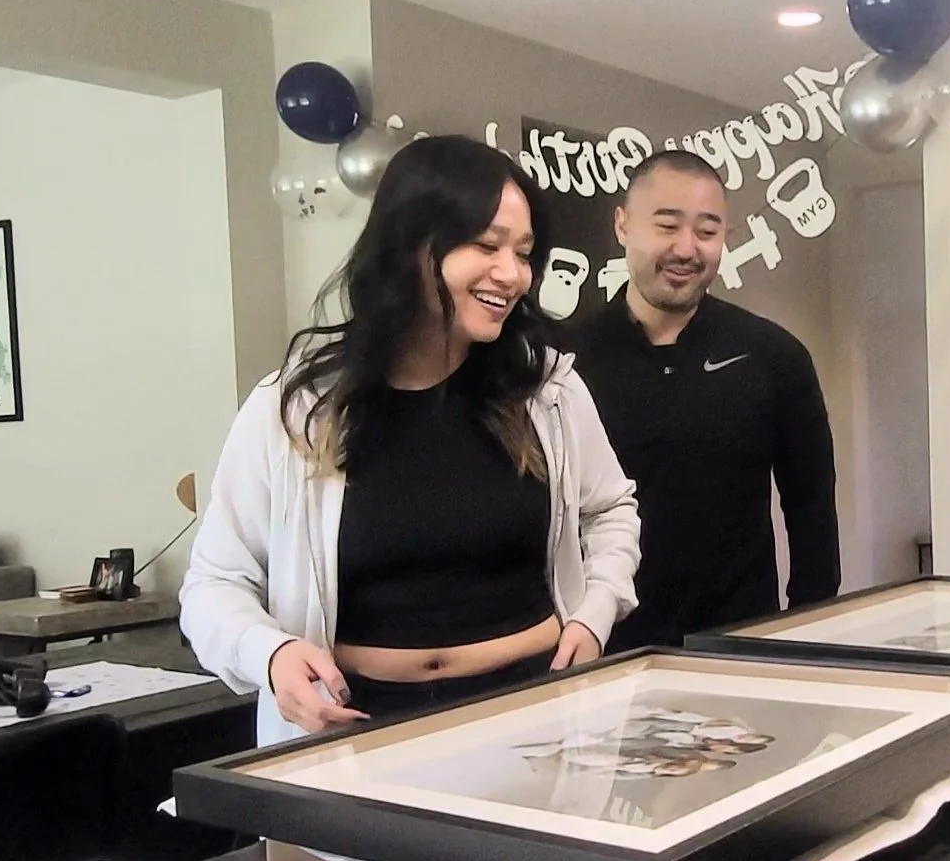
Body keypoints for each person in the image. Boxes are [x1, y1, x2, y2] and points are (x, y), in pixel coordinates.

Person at [180, 134, 641, 745]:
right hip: (358, 732)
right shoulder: (296, 408)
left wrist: (595, 612)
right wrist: (268, 652)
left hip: (538, 714)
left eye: (524, 252)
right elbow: (213, 584)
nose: (512, 274)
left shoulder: (546, 391)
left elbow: (611, 512)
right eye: (486, 245)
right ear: (411, 247)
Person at [567, 149, 839, 651]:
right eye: (667, 226)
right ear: (623, 225)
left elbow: (811, 509)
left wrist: (808, 637)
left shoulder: (774, 356)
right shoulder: (564, 362)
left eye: (707, 232)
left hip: (740, 648)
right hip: (601, 650)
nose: (687, 249)